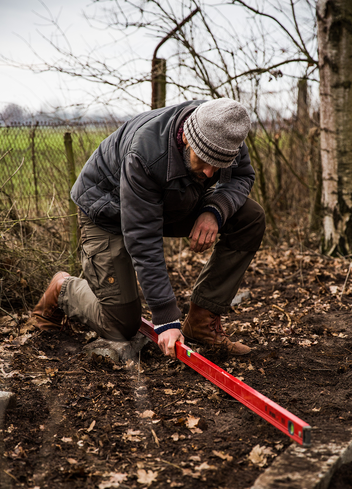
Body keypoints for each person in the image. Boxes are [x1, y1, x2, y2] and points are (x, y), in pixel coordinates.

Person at [31, 98, 265, 358]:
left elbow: (242, 176)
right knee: (121, 324)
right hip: (107, 211)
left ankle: (201, 321)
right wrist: (166, 319)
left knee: (250, 217)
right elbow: (143, 238)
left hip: (168, 201)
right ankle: (63, 288)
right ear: (187, 138)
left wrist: (214, 211)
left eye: (219, 165)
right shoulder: (145, 154)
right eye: (204, 160)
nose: (210, 173)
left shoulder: (226, 133)